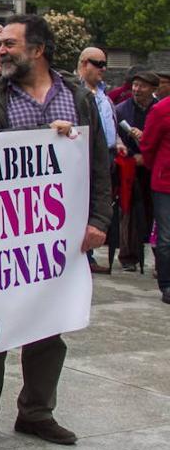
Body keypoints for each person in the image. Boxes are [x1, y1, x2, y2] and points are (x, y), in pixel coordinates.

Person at [0, 14, 110, 448]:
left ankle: (36, 411)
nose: (1, 51)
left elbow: (97, 162)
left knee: (50, 326)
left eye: (10, 43)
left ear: (38, 49)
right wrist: (26, 138)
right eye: (0, 44)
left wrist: (99, 220)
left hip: (60, 238)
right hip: (1, 235)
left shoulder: (77, 99)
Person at [75, 47, 120, 274]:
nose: (103, 68)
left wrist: (118, 141)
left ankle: (91, 252)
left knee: (102, 202)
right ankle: (87, 254)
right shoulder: (74, 92)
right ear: (84, 63)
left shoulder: (104, 94)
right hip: (85, 156)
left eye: (105, 64)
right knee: (85, 204)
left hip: (108, 154)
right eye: (97, 63)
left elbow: (111, 122)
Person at [114, 68, 158, 273]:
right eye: (135, 85)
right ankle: (128, 256)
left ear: (152, 89)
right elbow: (113, 135)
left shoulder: (158, 109)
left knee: (156, 213)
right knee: (128, 210)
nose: (137, 89)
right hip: (129, 164)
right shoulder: (122, 109)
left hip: (154, 166)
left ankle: (160, 260)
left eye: (142, 86)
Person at [138, 88, 170, 304]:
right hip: (165, 182)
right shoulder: (161, 110)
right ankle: (167, 284)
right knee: (167, 236)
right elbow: (148, 145)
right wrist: (156, 168)